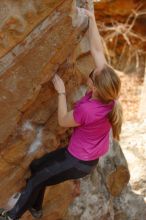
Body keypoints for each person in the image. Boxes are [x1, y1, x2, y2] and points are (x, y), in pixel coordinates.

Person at [0, 6, 123, 220]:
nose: (92, 71)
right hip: (82, 156)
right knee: (37, 166)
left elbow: (63, 120)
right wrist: (92, 18)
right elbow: (97, 50)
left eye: (91, 75)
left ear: (93, 87)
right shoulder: (109, 96)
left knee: (38, 178)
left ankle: (11, 215)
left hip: (77, 162)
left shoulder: (88, 110)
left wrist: (61, 92)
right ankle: (36, 207)